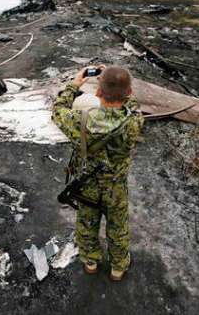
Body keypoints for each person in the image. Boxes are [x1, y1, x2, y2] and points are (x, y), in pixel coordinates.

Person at [51, 65, 144, 281]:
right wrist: (117, 83)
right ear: (129, 92)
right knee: (118, 228)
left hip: (87, 186)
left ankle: (91, 262)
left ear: (98, 92)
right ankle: (118, 268)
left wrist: (75, 84)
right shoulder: (134, 121)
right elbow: (133, 104)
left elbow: (57, 109)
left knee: (86, 224)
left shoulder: (78, 120)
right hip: (116, 187)